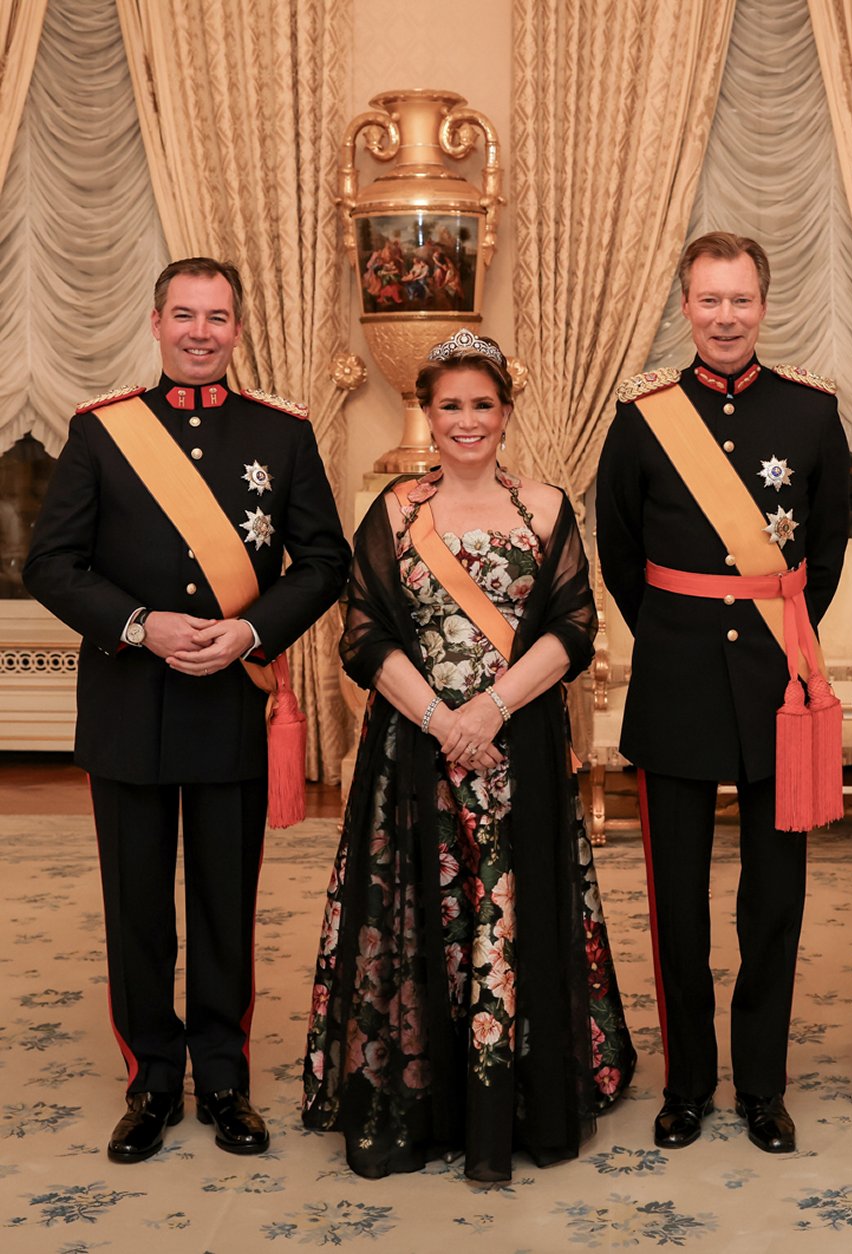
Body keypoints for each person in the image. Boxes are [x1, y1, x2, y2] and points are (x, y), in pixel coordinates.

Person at [23, 257, 350, 1164]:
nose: (200, 331)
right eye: (184, 315)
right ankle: (152, 1079)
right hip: (129, 701)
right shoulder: (101, 431)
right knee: (136, 908)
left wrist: (250, 636)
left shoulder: (280, 433)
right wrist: (139, 624)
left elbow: (324, 562)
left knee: (221, 904)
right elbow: (49, 565)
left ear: (238, 329)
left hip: (228, 707)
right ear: (156, 322)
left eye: (218, 317)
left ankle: (226, 1076)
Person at [302, 330, 635, 1182]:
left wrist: (488, 708)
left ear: (506, 413)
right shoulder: (395, 511)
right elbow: (364, 629)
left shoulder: (551, 508)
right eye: (449, 405)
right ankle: (431, 1097)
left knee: (511, 912)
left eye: (481, 405)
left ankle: (516, 1095)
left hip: (517, 742)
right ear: (429, 411)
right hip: (415, 750)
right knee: (424, 917)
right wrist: (443, 720)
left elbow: (573, 627)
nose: (465, 421)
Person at [595, 231, 850, 1154]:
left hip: (778, 684)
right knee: (678, 902)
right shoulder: (642, 419)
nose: (727, 317)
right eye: (710, 300)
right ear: (686, 306)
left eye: (741, 300)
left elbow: (823, 554)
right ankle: (689, 1085)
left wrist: (780, 635)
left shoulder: (812, 414)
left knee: (774, 897)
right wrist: (675, 634)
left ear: (765, 306)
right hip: (677, 683)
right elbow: (621, 552)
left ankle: (764, 1088)